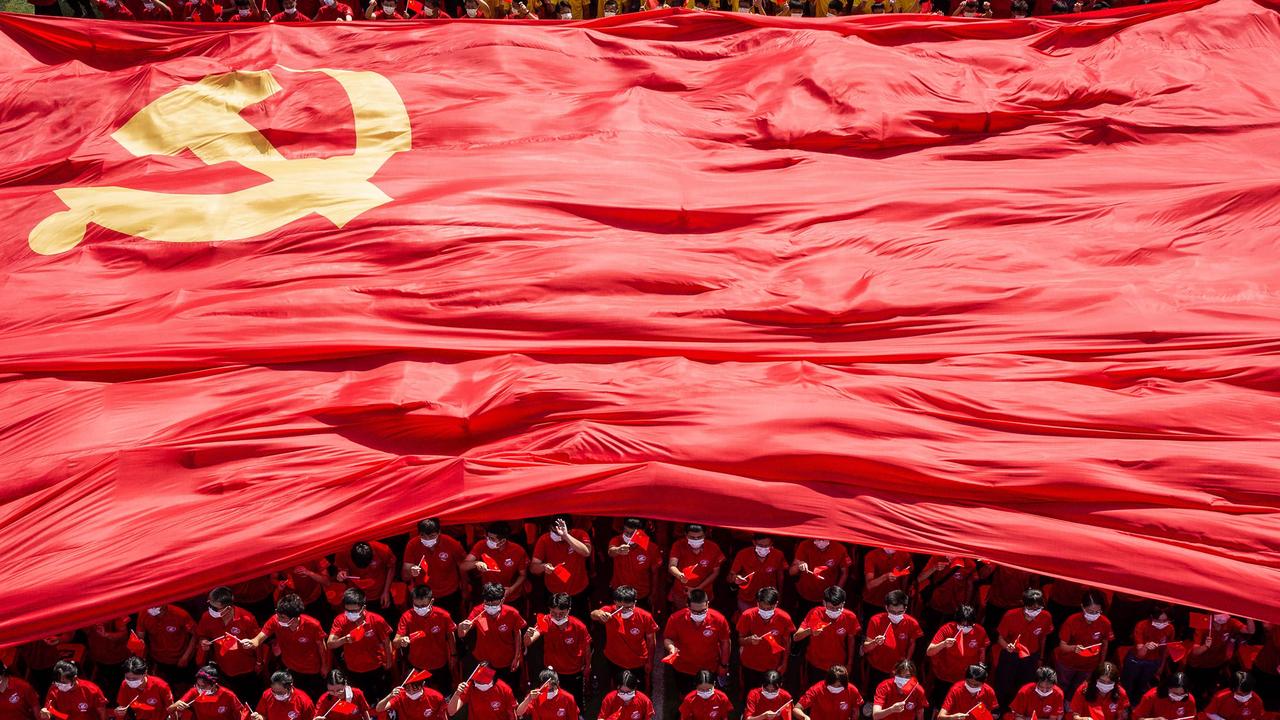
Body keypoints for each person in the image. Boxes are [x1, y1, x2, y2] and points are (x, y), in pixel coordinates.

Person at [248, 594, 329, 700]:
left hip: (312, 668)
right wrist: (252, 642)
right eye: (278, 614)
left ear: (294, 617)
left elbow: (322, 647)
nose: (278, 618)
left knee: (315, 695)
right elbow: (259, 638)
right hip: (290, 666)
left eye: (282, 617)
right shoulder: (274, 621)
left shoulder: (313, 625)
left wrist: (325, 665)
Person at [662, 590, 731, 708]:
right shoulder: (675, 619)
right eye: (695, 611)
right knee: (685, 697)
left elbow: (725, 642)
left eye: (703, 611)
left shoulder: (719, 619)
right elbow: (668, 639)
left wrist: (724, 665)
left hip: (709, 668)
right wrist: (671, 647)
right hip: (683, 667)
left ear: (708, 604)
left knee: (708, 697)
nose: (699, 614)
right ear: (687, 606)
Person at [195, 587, 262, 702]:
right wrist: (203, 641)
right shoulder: (207, 617)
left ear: (228, 608)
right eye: (209, 605)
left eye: (215, 608)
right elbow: (202, 634)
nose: (211, 609)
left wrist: (259, 661)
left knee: (251, 697)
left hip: (247, 668)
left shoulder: (247, 619)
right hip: (222, 667)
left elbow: (258, 642)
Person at [326, 588, 393, 701]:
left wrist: (389, 661)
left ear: (363, 608)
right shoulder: (340, 620)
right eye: (348, 610)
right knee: (362, 696)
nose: (351, 614)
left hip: (375, 666)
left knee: (381, 693)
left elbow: (386, 642)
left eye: (354, 611)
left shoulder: (376, 620)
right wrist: (344, 640)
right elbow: (330, 644)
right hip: (353, 668)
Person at [458, 583, 526, 688]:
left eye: (493, 604)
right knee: (486, 689)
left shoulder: (512, 613)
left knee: (507, 688)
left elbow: (518, 634)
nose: (489, 607)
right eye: (486, 603)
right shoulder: (477, 611)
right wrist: (461, 627)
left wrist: (516, 657)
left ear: (502, 600)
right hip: (484, 661)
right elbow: (462, 634)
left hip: (505, 660)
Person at [995, 590, 1055, 708]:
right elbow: (1000, 638)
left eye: (1038, 608)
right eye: (1031, 608)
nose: (1035, 611)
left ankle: (1017, 709)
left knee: (1024, 685)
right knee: (1004, 683)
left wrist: (1041, 658)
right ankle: (998, 708)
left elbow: (1043, 638)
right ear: (1024, 604)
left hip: (1031, 656)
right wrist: (1007, 646)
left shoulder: (1046, 616)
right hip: (1011, 655)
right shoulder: (1010, 615)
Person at [591, 586, 659, 690]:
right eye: (619, 607)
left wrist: (650, 662)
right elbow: (593, 614)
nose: (623, 611)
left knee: (639, 689)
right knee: (617, 689)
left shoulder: (645, 617)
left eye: (627, 607)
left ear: (635, 602)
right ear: (615, 602)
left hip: (638, 662)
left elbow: (651, 641)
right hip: (614, 661)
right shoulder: (609, 612)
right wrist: (600, 614)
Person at [523, 595, 590, 698]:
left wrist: (588, 665)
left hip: (573, 670)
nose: (557, 616)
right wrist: (527, 636)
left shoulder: (579, 626)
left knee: (575, 697)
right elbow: (528, 642)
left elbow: (586, 648)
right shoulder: (545, 620)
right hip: (552, 671)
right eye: (553, 612)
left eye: (561, 613)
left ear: (569, 610)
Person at [926, 606, 990, 711]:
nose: (965, 627)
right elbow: (929, 652)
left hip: (966, 680)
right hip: (945, 676)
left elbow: (982, 652)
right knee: (940, 706)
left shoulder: (980, 631)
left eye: (969, 625)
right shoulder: (947, 629)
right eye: (962, 624)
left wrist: (980, 671)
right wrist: (943, 644)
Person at [795, 587, 861, 687]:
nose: (834, 611)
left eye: (838, 608)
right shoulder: (815, 613)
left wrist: (850, 663)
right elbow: (796, 637)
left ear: (843, 604)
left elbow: (851, 640)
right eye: (831, 608)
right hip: (815, 664)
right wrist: (810, 631)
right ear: (824, 603)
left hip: (837, 666)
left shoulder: (850, 617)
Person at [395, 586, 457, 693]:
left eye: (423, 605)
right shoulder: (406, 617)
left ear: (431, 601)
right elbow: (395, 642)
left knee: (445, 691)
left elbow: (450, 635)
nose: (419, 609)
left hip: (440, 663)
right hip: (416, 663)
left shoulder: (443, 615)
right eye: (416, 606)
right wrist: (401, 641)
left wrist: (453, 655)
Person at [1056, 591, 1114, 702]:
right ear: (1082, 606)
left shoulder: (1105, 623)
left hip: (1089, 665)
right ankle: (1058, 704)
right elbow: (1062, 646)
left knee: (1078, 688)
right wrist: (1074, 648)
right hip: (1067, 663)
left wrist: (1101, 663)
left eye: (1098, 611)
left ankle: (1069, 703)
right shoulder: (1071, 621)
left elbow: (1105, 643)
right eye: (1090, 611)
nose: (1094, 614)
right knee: (1062, 685)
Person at [404, 520, 468, 618]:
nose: (427, 539)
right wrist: (411, 569)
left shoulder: (451, 543)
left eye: (432, 536)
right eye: (423, 536)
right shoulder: (412, 545)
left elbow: (463, 567)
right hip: (425, 597)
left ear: (439, 532)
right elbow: (406, 568)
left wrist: (464, 590)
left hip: (450, 593)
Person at [1187, 613, 1253, 705]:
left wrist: (1249, 615)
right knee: (1195, 691)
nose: (1223, 615)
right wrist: (1205, 646)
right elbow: (1195, 652)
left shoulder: (1231, 622)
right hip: (1198, 665)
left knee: (1210, 688)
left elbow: (1250, 631)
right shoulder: (1202, 622)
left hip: (1216, 663)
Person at [862, 591, 924, 691]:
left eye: (900, 612)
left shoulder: (912, 623)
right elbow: (865, 648)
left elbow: (913, 643)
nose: (896, 615)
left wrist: (905, 664)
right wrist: (874, 642)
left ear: (905, 609)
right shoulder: (875, 620)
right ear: (886, 608)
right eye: (892, 612)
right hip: (876, 667)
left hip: (897, 671)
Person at [736, 588, 795, 691]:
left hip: (772, 666)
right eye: (763, 608)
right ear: (757, 603)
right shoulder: (747, 616)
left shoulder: (784, 618)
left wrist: (784, 663)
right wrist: (749, 640)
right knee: (749, 692)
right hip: (750, 664)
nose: (766, 611)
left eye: (770, 608)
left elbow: (787, 642)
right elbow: (740, 640)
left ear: (776, 604)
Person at [531, 517, 593, 614]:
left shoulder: (580, 534)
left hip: (579, 589)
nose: (558, 535)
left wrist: (566, 536)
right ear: (550, 527)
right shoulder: (544, 540)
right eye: (555, 532)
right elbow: (533, 567)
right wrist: (543, 567)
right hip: (554, 591)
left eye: (561, 532)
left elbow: (586, 552)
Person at [463, 523, 530, 607]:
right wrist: (476, 563)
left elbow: (523, 575)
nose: (488, 541)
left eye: (491, 539)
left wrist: (511, 589)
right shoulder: (481, 545)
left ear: (502, 541)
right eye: (487, 537)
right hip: (489, 596)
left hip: (511, 597)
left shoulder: (518, 551)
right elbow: (463, 566)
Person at [1121, 606, 1176, 702]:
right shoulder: (1141, 625)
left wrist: (1161, 667)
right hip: (1135, 660)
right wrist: (1146, 647)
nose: (1162, 623)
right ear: (1151, 617)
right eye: (1159, 620)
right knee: (1127, 685)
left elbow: (1165, 650)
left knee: (1142, 686)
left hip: (1153, 662)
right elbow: (1140, 654)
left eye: (1165, 620)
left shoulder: (1170, 628)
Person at [608, 519, 664, 608]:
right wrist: (618, 550)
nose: (628, 536)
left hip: (641, 594)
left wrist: (653, 593)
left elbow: (655, 573)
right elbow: (611, 552)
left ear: (641, 533)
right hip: (620, 593)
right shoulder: (617, 541)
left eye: (632, 534)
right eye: (626, 533)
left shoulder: (651, 548)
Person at [667, 525, 725, 610]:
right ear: (686, 535)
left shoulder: (713, 547)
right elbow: (672, 566)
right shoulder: (678, 545)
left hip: (704, 593)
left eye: (699, 537)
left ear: (705, 535)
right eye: (692, 537)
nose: (696, 540)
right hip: (682, 592)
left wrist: (698, 588)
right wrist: (680, 575)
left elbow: (716, 572)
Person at [136, 604, 196, 682]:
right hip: (158, 658)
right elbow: (140, 638)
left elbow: (195, 635)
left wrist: (186, 656)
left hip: (180, 659)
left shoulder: (180, 614)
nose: (152, 608)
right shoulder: (144, 613)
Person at [729, 536, 790, 614]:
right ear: (754, 542)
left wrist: (779, 595)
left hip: (769, 599)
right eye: (760, 545)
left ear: (771, 543)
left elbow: (781, 577)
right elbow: (730, 576)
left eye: (766, 546)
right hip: (747, 599)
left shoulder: (778, 555)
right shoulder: (742, 554)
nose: (763, 548)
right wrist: (736, 578)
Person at [334, 542, 397, 611]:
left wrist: (386, 591)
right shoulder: (342, 552)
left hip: (379, 592)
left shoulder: (382, 550)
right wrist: (341, 574)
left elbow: (391, 567)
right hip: (356, 595)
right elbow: (342, 569)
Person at [168, 666, 247, 720]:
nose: (200, 689)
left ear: (214, 685)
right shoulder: (194, 691)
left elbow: (242, 715)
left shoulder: (228, 695)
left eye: (203, 686)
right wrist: (175, 705)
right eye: (198, 685)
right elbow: (171, 709)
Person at [791, 539, 851, 607]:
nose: (820, 543)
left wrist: (836, 592)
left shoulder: (840, 549)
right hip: (805, 593)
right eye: (817, 540)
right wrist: (799, 565)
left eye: (823, 540)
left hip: (827, 597)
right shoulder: (804, 545)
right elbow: (791, 572)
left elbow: (844, 573)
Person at [445, 666, 516, 720]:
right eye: (477, 681)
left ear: (492, 679)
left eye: (483, 681)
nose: (479, 683)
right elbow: (451, 712)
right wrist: (457, 694)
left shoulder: (504, 689)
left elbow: (512, 714)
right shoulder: (469, 687)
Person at [41, 662, 106, 720]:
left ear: (74, 678)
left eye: (63, 682)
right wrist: (46, 713)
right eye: (57, 682)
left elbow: (101, 711)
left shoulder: (91, 690)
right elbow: (48, 708)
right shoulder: (54, 689)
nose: (60, 685)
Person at [794, 665, 863, 720]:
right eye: (833, 685)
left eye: (839, 686)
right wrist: (804, 717)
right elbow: (796, 709)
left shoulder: (852, 690)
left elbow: (855, 710)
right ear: (827, 681)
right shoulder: (816, 690)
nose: (836, 688)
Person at [862, 548, 912, 622]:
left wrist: (903, 595)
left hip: (895, 604)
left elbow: (907, 574)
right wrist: (885, 577)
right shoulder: (872, 555)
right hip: (873, 601)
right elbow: (869, 585)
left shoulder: (905, 555)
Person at [376, 669, 445, 720]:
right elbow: (379, 709)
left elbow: (445, 716)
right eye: (408, 689)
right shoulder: (399, 695)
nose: (411, 692)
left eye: (415, 688)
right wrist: (389, 696)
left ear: (423, 684)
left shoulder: (436, 697)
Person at [87, 620, 131, 696]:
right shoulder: (88, 614)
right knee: (107, 679)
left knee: (118, 682)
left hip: (117, 657)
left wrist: (106, 635)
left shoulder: (115, 614)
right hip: (98, 656)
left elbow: (123, 634)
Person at [1132, 672, 1196, 720]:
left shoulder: (1190, 700)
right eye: (1175, 693)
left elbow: (1190, 717)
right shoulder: (1151, 697)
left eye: (1182, 694)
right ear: (1167, 688)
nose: (1178, 696)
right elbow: (1136, 718)